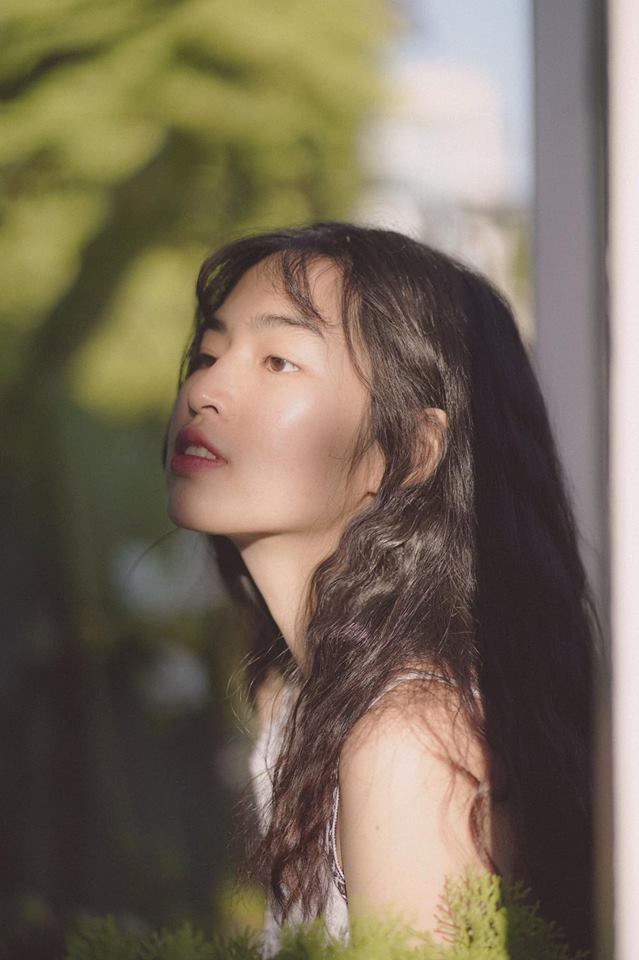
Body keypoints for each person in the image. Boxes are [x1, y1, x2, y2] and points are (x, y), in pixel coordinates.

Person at [162, 222, 600, 958]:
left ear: (410, 451)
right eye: (208, 355)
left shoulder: (408, 738)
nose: (203, 390)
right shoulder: (298, 700)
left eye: (278, 360)